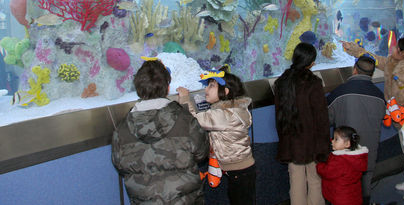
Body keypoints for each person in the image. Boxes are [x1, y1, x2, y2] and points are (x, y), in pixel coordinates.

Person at [341, 37, 404, 202]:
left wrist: (401, 97)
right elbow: (373, 58)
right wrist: (352, 48)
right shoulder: (391, 62)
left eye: (396, 48)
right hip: (398, 115)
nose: (393, 49)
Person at [112, 58, 209, 204]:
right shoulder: (185, 120)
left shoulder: (121, 130)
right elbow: (202, 152)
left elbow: (119, 164)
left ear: (138, 89)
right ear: (167, 87)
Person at [177, 67, 256, 205]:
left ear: (225, 92)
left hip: (239, 170)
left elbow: (194, 120)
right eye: (207, 85)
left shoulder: (225, 115)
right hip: (240, 169)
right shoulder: (230, 110)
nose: (206, 89)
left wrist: (184, 98)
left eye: (212, 86)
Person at [273, 42, 330, 205]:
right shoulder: (313, 83)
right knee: (315, 181)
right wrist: (324, 146)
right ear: (311, 62)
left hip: (291, 142)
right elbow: (321, 118)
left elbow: (279, 115)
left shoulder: (282, 82)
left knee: (296, 182)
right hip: (312, 142)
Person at [326, 54, 385, 205]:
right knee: (365, 188)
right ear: (371, 73)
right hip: (368, 153)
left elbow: (327, 118)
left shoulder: (339, 92)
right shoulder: (379, 96)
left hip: (345, 156)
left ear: (354, 70)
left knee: (345, 189)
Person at [317, 126, 368, 205]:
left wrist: (320, 165)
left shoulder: (340, 160)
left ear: (347, 144)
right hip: (354, 197)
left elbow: (327, 172)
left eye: (336, 139)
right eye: (333, 138)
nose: (332, 141)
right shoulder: (356, 158)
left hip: (340, 198)